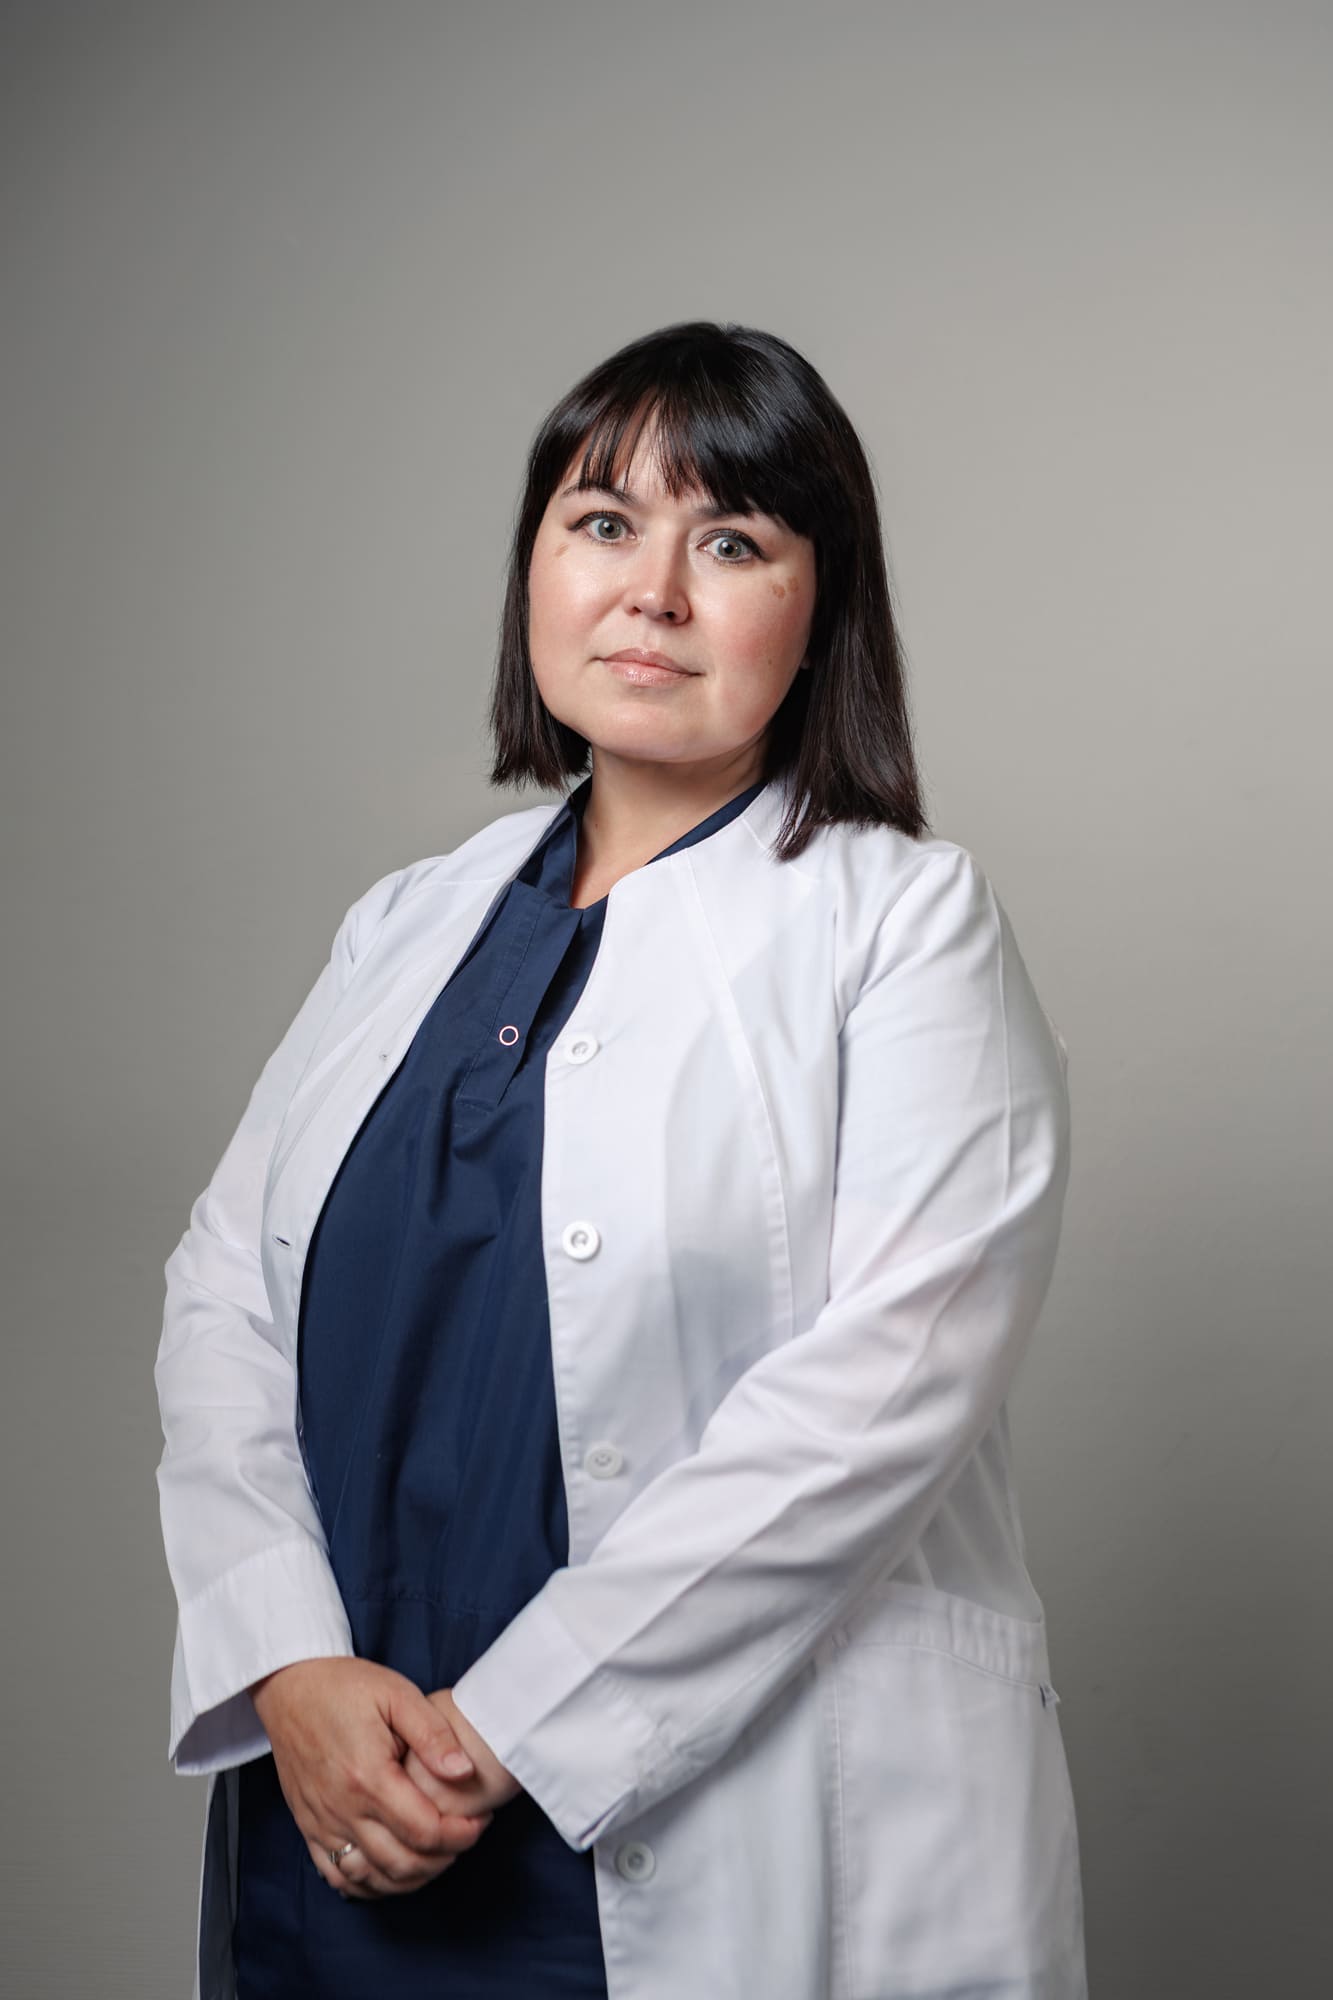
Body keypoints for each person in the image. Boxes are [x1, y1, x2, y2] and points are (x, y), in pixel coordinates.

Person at [154, 319, 1088, 2000]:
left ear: (819, 614)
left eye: (730, 543)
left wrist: (504, 1729)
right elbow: (225, 1295)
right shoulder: (407, 923)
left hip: (683, 1809)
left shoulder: (903, 923)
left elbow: (886, 1385)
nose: (652, 591)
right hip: (337, 1797)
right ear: (535, 568)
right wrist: (281, 1657)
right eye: (602, 523)